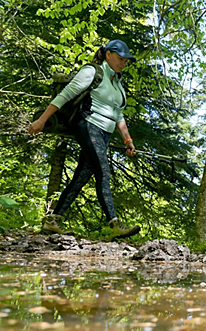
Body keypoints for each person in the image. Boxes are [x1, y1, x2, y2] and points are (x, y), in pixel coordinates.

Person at [29, 39, 141, 240]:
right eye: (120, 58)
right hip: (88, 124)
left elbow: (119, 116)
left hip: (104, 133)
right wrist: (41, 121)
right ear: (108, 54)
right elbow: (64, 96)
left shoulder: (118, 83)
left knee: (82, 176)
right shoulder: (92, 72)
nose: (123, 63)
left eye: (126, 60)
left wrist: (127, 140)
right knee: (103, 171)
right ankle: (115, 223)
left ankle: (52, 220)